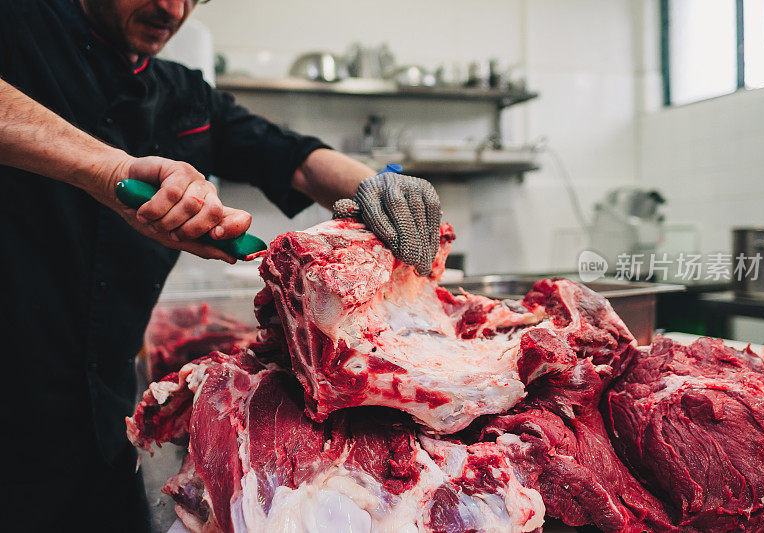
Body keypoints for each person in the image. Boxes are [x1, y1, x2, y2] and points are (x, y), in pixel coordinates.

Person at [0, 1, 440, 531]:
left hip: (107, 421)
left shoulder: (185, 94)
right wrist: (110, 170)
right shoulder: (17, 24)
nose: (171, 8)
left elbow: (295, 159)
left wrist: (377, 185)